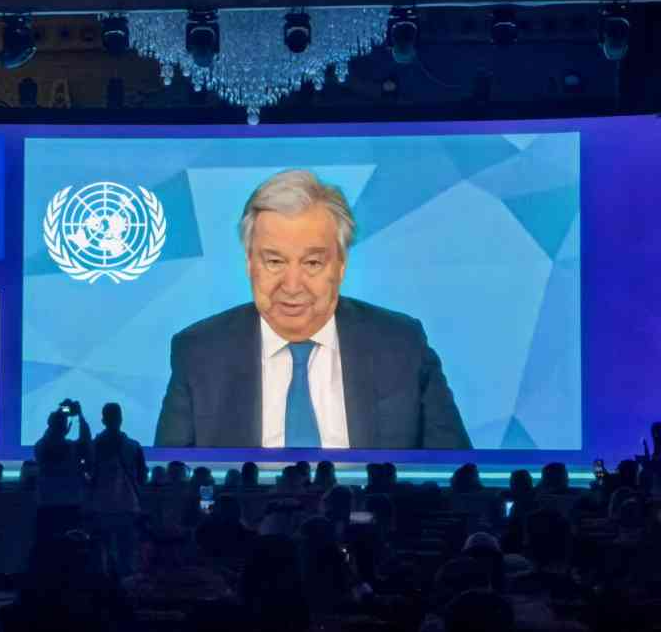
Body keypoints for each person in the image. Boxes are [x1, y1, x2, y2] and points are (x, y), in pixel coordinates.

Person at [155, 169, 470, 449]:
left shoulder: (402, 344)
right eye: (274, 261)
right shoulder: (199, 353)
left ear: (341, 265)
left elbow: (458, 476)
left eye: (312, 263)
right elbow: (168, 482)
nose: (292, 285)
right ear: (250, 263)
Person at [89, 403, 147, 577]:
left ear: (103, 420)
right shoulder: (133, 446)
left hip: (102, 506)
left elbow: (91, 475)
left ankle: (105, 584)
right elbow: (142, 477)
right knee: (127, 553)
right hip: (128, 505)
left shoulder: (95, 445)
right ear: (121, 419)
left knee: (103, 552)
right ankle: (126, 584)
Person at [34, 400, 91, 542]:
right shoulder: (73, 448)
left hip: (46, 504)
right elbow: (86, 441)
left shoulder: (40, 447)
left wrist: (61, 412)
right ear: (66, 428)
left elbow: (50, 434)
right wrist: (80, 415)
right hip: (71, 504)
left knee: (47, 546)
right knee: (72, 547)